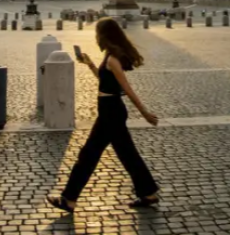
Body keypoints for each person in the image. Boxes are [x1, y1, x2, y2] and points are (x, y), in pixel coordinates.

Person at [47, 17, 159, 214]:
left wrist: (145, 113)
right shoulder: (109, 56)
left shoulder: (113, 59)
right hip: (109, 110)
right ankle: (148, 193)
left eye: (97, 32)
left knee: (89, 154)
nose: (95, 36)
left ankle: (69, 198)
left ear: (104, 35)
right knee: (127, 154)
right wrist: (90, 64)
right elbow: (106, 82)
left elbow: (127, 89)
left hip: (111, 112)